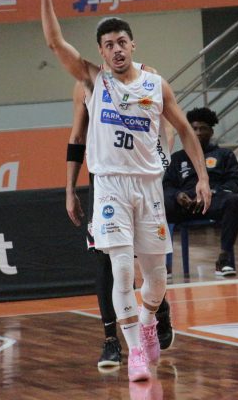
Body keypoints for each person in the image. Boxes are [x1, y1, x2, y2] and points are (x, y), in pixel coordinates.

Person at [41, 0, 211, 382]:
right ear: (100, 52)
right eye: (108, 45)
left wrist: (203, 177)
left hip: (149, 187)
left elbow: (185, 130)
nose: (116, 50)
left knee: (156, 281)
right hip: (110, 186)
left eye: (121, 42)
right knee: (119, 269)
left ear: (132, 45)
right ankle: (134, 350)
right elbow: (55, 42)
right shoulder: (92, 81)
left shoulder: (155, 85)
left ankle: (150, 320)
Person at [66, 79, 174, 369]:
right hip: (106, 180)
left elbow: (168, 125)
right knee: (108, 260)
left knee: (150, 259)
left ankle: (157, 309)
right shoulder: (85, 84)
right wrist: (70, 189)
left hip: (142, 177)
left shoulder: (147, 77)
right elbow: (77, 137)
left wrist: (160, 164)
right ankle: (111, 340)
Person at [163, 107, 238, 276]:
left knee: (233, 201)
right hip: (186, 204)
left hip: (212, 202)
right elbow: (167, 186)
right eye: (194, 128)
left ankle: (224, 259)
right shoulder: (177, 158)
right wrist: (178, 196)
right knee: (158, 204)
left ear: (211, 132)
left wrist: (210, 193)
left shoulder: (224, 155)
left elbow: (234, 182)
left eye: (203, 128)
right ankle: (162, 264)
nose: (198, 132)